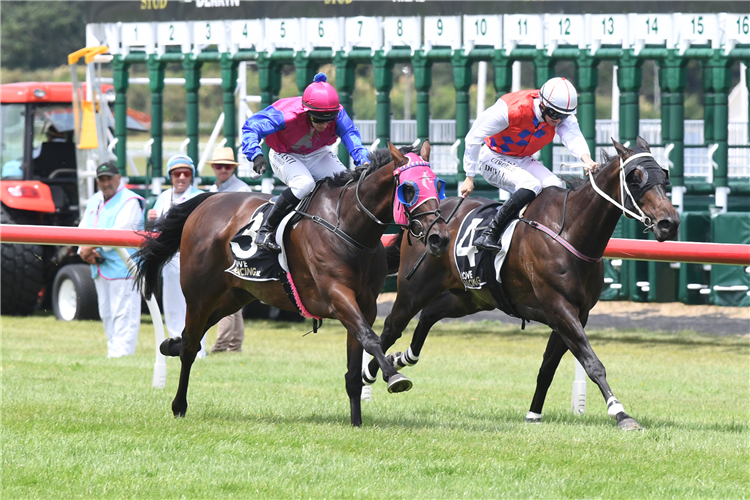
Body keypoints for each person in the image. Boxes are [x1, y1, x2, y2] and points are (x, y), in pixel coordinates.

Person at [460, 77, 599, 252]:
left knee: (555, 186)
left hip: (522, 159)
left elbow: (573, 137)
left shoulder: (561, 115)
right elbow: (473, 137)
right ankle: (490, 233)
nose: (558, 120)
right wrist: (469, 176)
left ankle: (541, 235)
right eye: (555, 115)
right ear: (543, 105)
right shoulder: (510, 110)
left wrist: (587, 160)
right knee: (531, 184)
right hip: (492, 157)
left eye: (563, 116)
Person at [240, 72, 370, 252]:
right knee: (304, 184)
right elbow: (252, 126)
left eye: (329, 119)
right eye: (319, 120)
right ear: (307, 112)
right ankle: (265, 229)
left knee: (347, 184)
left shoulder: (338, 113)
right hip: (283, 153)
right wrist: (255, 154)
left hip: (317, 152)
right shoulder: (287, 113)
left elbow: (350, 134)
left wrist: (362, 160)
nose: (324, 125)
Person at [78, 162, 145, 358]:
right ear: (97, 181)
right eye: (102, 179)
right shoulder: (94, 201)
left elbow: (118, 233)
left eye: (109, 178)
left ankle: (121, 356)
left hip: (124, 270)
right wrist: (82, 251)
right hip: (99, 268)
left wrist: (88, 248)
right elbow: (82, 229)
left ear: (118, 178)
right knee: (106, 314)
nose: (106, 182)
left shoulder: (130, 200)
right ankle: (113, 355)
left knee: (124, 314)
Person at [148, 154, 206, 357]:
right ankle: (175, 347)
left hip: (193, 259)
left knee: (195, 305)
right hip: (170, 260)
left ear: (192, 176)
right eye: (176, 173)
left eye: (186, 173)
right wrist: (151, 219)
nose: (181, 177)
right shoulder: (163, 197)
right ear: (170, 176)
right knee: (172, 304)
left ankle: (198, 350)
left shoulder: (200, 197)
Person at [207, 147, 252, 353]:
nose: (222, 169)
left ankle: (222, 345)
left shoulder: (241, 191)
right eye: (218, 166)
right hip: (221, 247)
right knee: (233, 294)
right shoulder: (213, 189)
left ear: (233, 168)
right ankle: (233, 345)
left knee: (225, 293)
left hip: (234, 246)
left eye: (226, 166)